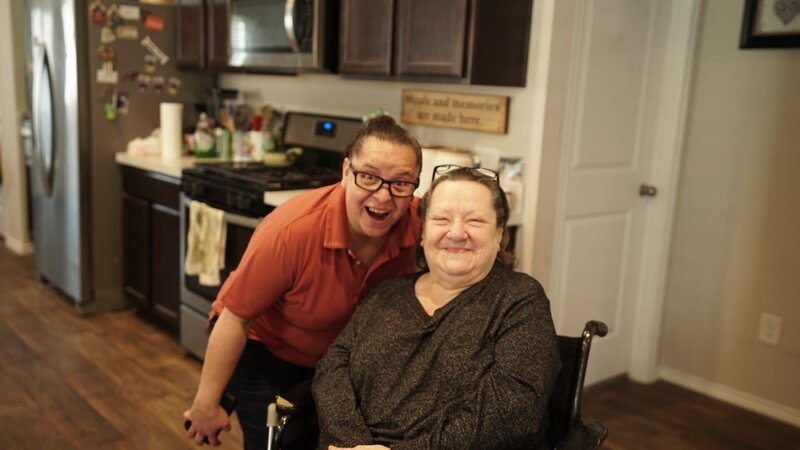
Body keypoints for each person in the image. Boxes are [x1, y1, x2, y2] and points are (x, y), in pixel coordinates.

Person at [183, 116, 423, 449]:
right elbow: (235, 317)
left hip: (337, 361)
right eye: (368, 177)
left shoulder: (418, 224)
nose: (383, 196)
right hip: (264, 349)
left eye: (400, 183)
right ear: (345, 172)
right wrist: (206, 404)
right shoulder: (292, 231)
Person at [312, 165, 561, 450]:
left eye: (475, 221)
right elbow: (333, 367)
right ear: (422, 232)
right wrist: (350, 442)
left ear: (499, 234)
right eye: (441, 219)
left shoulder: (519, 299)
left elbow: (514, 409)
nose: (456, 233)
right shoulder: (387, 293)